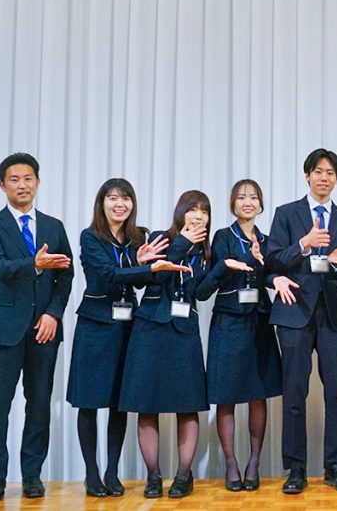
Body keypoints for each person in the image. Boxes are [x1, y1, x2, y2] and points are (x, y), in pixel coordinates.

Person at [66, 178, 184, 497]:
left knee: (119, 402)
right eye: (113, 198)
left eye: (126, 198)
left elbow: (144, 282)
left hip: (129, 325)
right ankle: (92, 474)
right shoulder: (90, 237)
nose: (120, 204)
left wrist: (144, 263)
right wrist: (142, 265)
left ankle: (112, 472)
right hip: (95, 326)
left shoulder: (138, 237)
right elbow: (106, 275)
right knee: (89, 402)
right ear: (101, 203)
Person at [0, 153, 73, 502]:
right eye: (14, 179)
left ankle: (32, 475)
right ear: (2, 185)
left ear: (38, 182)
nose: (22, 185)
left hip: (44, 329)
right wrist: (35, 263)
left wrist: (54, 314)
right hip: (4, 328)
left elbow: (66, 276)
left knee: (40, 404)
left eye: (28, 178)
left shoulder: (53, 226)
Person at [265, 148, 337, 495]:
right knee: (294, 392)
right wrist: (304, 244)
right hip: (294, 312)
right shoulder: (286, 214)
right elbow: (273, 260)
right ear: (307, 176)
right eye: (318, 171)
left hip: (331, 314)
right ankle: (296, 469)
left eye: (330, 173)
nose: (324, 178)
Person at [118, 190, 209, 499]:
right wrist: (182, 241)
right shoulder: (161, 238)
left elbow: (203, 291)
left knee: (187, 405)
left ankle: (183, 475)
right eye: (192, 209)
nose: (198, 215)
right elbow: (152, 278)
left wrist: (224, 268)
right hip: (150, 329)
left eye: (204, 211)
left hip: (184, 331)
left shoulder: (206, 251)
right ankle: (153, 476)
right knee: (147, 405)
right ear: (181, 213)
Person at [196, 180, 283, 492]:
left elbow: (270, 275)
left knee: (259, 394)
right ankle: (231, 463)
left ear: (261, 204)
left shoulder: (268, 240)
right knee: (227, 396)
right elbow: (212, 280)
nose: (248, 202)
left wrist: (273, 274)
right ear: (232, 203)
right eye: (242, 197)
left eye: (254, 197)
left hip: (259, 322)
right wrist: (246, 260)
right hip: (229, 322)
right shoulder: (222, 236)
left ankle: (254, 461)